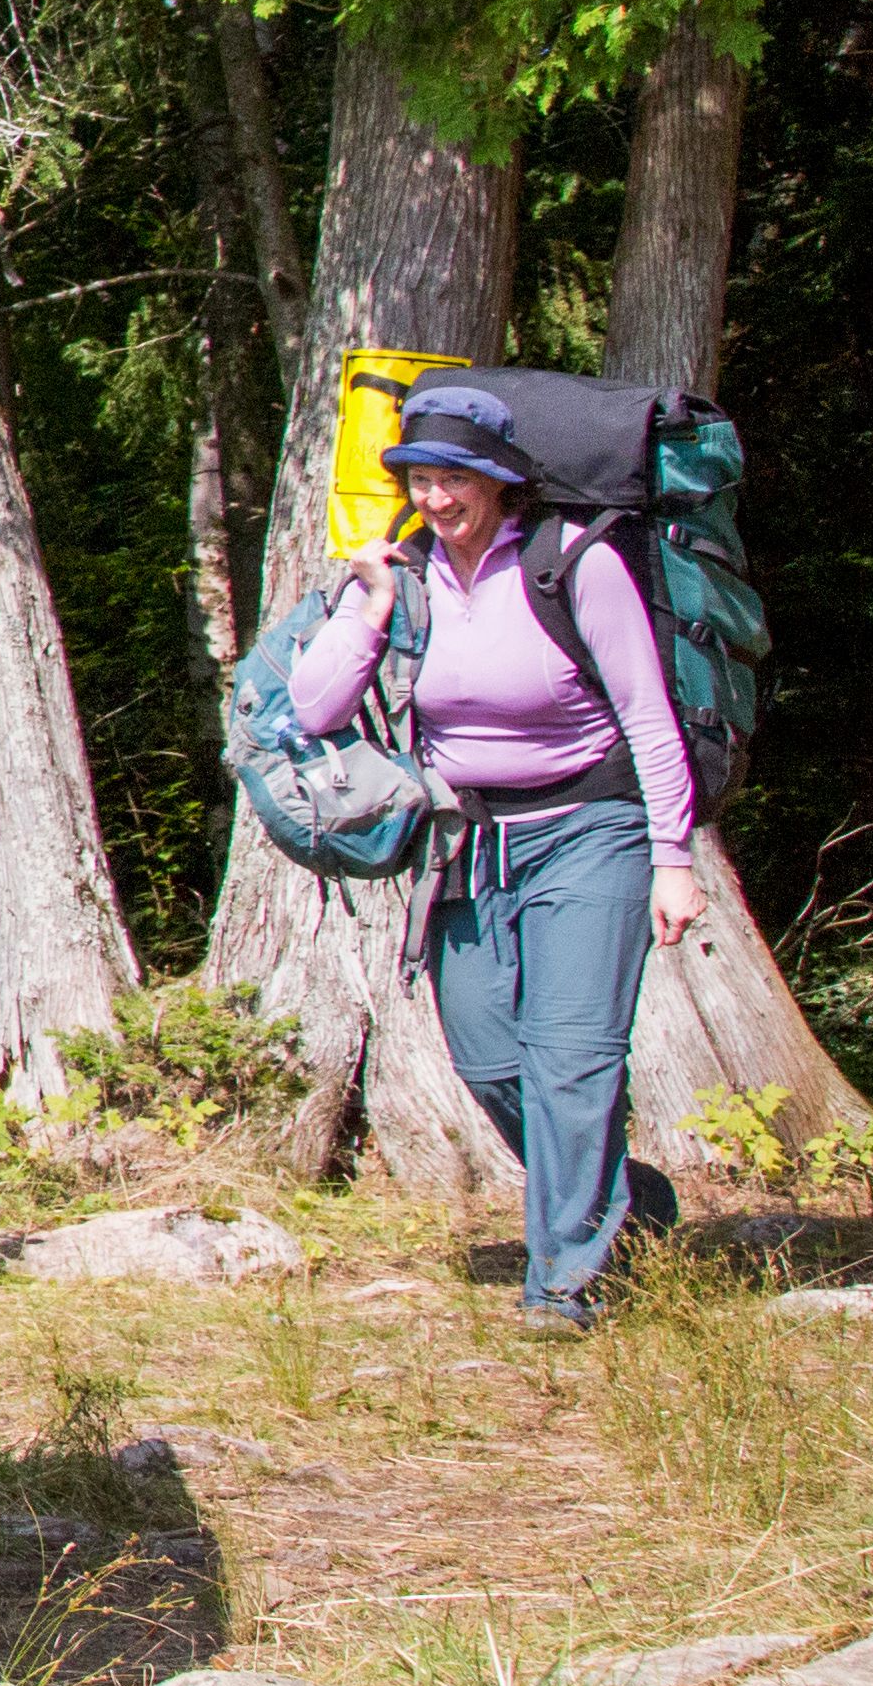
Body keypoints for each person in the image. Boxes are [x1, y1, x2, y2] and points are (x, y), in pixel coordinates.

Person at [279, 375, 701, 1325]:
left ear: (502, 482)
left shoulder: (573, 565)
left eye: (454, 478)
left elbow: (648, 717)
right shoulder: (410, 577)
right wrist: (372, 599)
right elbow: (312, 709)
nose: (435, 497)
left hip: (592, 832)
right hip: (466, 843)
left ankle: (566, 1285)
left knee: (572, 1058)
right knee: (489, 1059)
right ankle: (624, 1201)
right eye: (419, 478)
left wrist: (673, 857)